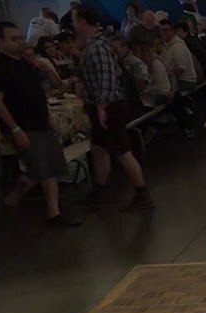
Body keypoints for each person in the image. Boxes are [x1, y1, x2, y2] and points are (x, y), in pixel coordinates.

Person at [0, 22, 79, 226]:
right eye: (13, 38)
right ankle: (15, 199)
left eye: (19, 37)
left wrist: (47, 119)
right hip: (24, 126)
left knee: (51, 167)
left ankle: (53, 212)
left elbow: (36, 95)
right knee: (38, 169)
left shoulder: (23, 64)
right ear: (0, 41)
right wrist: (15, 128)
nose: (18, 41)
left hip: (39, 123)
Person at [76, 6, 153, 212]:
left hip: (109, 106)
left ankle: (142, 193)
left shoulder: (97, 48)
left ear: (83, 21)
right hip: (105, 105)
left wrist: (102, 106)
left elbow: (107, 78)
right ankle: (101, 190)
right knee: (99, 148)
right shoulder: (96, 45)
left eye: (76, 20)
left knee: (122, 151)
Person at [159, 18, 199, 91]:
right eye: (161, 30)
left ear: (173, 31)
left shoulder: (178, 46)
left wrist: (166, 77)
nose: (162, 33)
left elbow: (181, 68)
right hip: (177, 80)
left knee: (159, 89)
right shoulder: (166, 45)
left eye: (165, 30)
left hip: (186, 81)